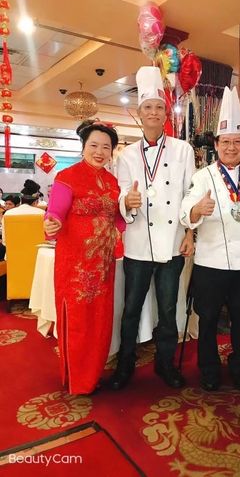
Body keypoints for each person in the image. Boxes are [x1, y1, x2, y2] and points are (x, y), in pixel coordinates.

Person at [108, 66, 195, 390]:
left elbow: (190, 194)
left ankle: (165, 364)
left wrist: (189, 232)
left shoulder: (183, 150)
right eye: (148, 108)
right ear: (139, 114)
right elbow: (119, 193)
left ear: (166, 112)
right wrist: (125, 202)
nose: (154, 113)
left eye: (159, 107)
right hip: (138, 244)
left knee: (169, 309)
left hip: (172, 244)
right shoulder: (126, 154)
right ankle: (125, 365)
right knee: (131, 309)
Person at [180, 87, 240, 391]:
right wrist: (195, 211)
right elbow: (184, 210)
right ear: (216, 145)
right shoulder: (203, 177)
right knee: (208, 319)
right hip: (211, 263)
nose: (231, 147)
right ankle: (208, 368)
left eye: (236, 142)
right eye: (225, 141)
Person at [44, 120, 125, 395]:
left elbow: (119, 219)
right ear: (83, 148)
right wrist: (51, 222)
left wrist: (131, 213)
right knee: (78, 322)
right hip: (75, 265)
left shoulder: (112, 181)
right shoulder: (68, 177)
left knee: (100, 321)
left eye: (106, 147)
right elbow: (55, 212)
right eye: (94, 145)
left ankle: (92, 375)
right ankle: (79, 380)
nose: (100, 151)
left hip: (103, 264)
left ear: (112, 151)